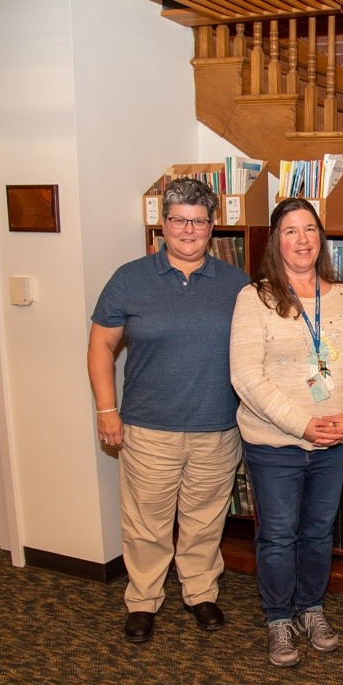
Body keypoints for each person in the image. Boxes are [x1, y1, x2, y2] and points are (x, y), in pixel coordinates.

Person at [88, 177, 250, 643]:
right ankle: (143, 600)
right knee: (147, 523)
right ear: (163, 224)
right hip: (148, 427)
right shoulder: (130, 278)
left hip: (216, 428)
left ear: (212, 228)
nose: (188, 230)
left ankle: (200, 593)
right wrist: (106, 409)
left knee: (204, 520)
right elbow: (100, 345)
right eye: (179, 220)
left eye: (198, 222)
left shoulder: (237, 285)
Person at [230, 198, 343, 667]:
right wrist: (303, 424)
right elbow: (247, 378)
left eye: (309, 229)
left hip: (332, 442)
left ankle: (311, 609)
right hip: (275, 444)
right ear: (276, 240)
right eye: (290, 231)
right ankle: (277, 619)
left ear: (320, 237)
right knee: (277, 536)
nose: (302, 239)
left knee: (316, 533)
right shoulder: (255, 298)